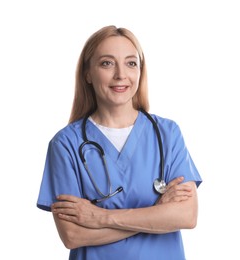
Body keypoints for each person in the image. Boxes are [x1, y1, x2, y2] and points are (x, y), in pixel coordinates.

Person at [37, 25, 202, 260]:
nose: (121, 75)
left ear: (140, 71)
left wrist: (100, 217)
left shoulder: (167, 134)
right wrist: (157, 215)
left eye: (131, 63)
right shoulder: (66, 144)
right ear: (87, 74)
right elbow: (73, 235)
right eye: (107, 63)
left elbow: (186, 216)